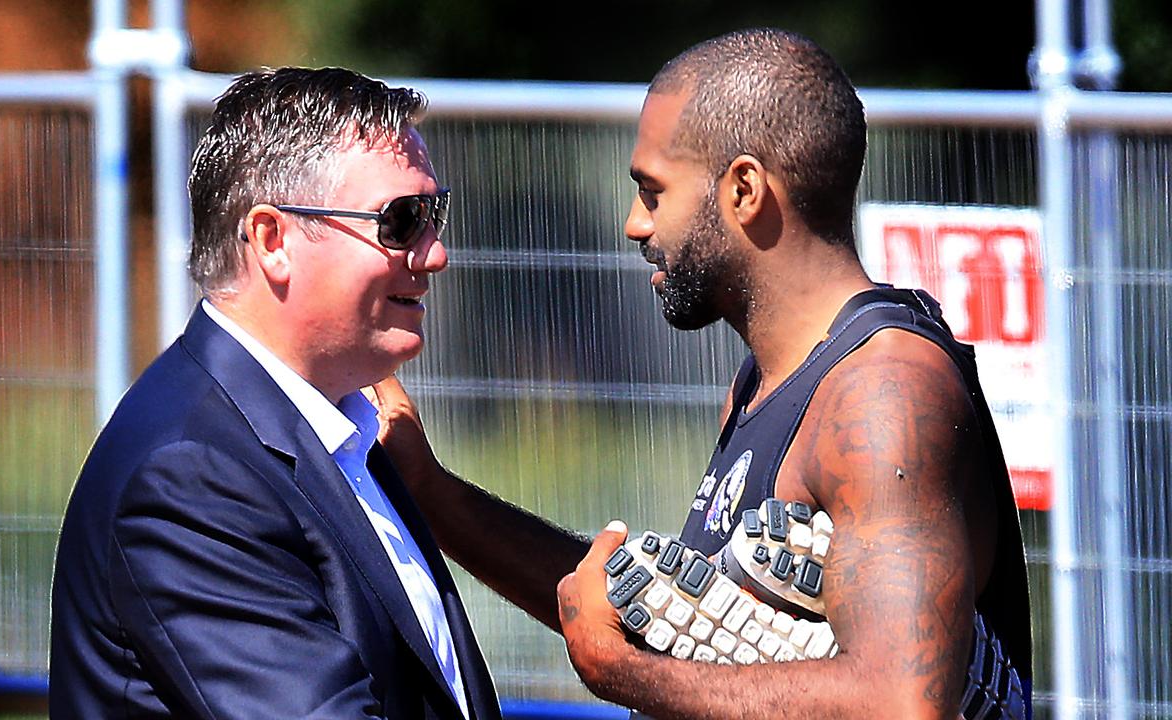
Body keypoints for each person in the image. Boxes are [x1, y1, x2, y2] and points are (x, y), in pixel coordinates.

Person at [372, 28, 1032, 718]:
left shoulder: (882, 391)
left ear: (744, 189)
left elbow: (900, 703)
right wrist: (431, 492)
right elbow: (681, 629)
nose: (634, 224)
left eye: (652, 192)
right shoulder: (764, 384)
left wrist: (625, 676)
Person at [49, 67, 500, 720]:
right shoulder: (192, 478)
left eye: (435, 214)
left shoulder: (345, 429)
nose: (435, 255)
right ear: (272, 240)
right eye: (402, 221)